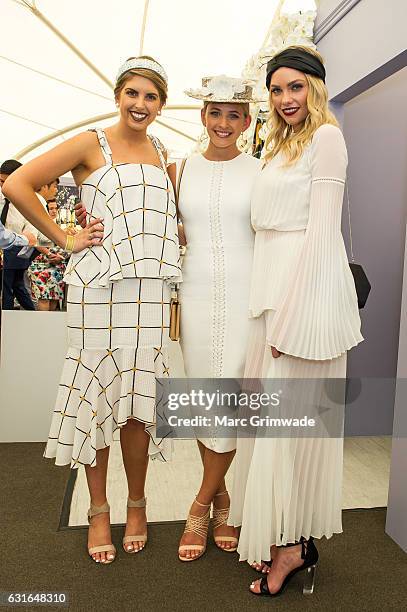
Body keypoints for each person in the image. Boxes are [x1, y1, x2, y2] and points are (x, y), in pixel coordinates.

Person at [3, 55, 181, 565]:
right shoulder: (90, 142)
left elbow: (165, 221)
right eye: (133, 94)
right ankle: (99, 510)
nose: (140, 105)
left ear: (162, 104)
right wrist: (65, 237)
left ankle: (138, 504)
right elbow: (18, 183)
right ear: (118, 95)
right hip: (98, 291)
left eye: (151, 97)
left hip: (147, 293)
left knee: (137, 405)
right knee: (96, 403)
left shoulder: (163, 149)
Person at [228, 46, 363, 597]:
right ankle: (289, 541)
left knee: (296, 433)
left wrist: (291, 316)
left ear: (316, 87)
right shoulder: (278, 146)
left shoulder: (328, 138)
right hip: (270, 301)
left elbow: (323, 234)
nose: (286, 99)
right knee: (274, 429)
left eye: (296, 87)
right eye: (277, 89)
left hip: (301, 304)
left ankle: (291, 548)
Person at [176, 76, 262, 561]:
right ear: (203, 116)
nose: (223, 123)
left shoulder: (261, 170)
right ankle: (223, 496)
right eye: (215, 113)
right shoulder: (180, 169)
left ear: (247, 121)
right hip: (196, 295)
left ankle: (200, 502)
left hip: (246, 297)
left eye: (234, 115)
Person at [1, 159, 38, 310]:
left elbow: (32, 233)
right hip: (9, 247)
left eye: (6, 181)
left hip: (17, 251)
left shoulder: (28, 202)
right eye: (0, 181)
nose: (2, 186)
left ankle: (9, 323)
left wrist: (23, 240)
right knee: (14, 287)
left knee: (10, 288)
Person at [28, 196, 67, 311]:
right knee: (44, 297)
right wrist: (49, 254)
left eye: (55, 208)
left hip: (57, 265)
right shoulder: (38, 223)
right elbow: (34, 241)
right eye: (51, 208)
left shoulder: (60, 225)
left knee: (55, 297)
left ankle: (51, 327)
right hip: (40, 263)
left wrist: (62, 256)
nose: (54, 211)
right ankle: (42, 327)